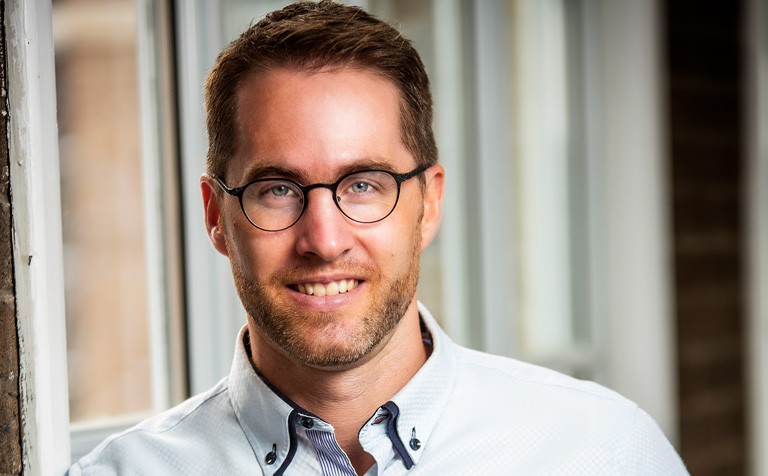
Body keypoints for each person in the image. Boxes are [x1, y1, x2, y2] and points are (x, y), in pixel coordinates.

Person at [70, 1, 688, 475]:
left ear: (429, 203)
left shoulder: (600, 450)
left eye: (363, 184)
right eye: (278, 188)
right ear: (215, 215)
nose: (324, 238)